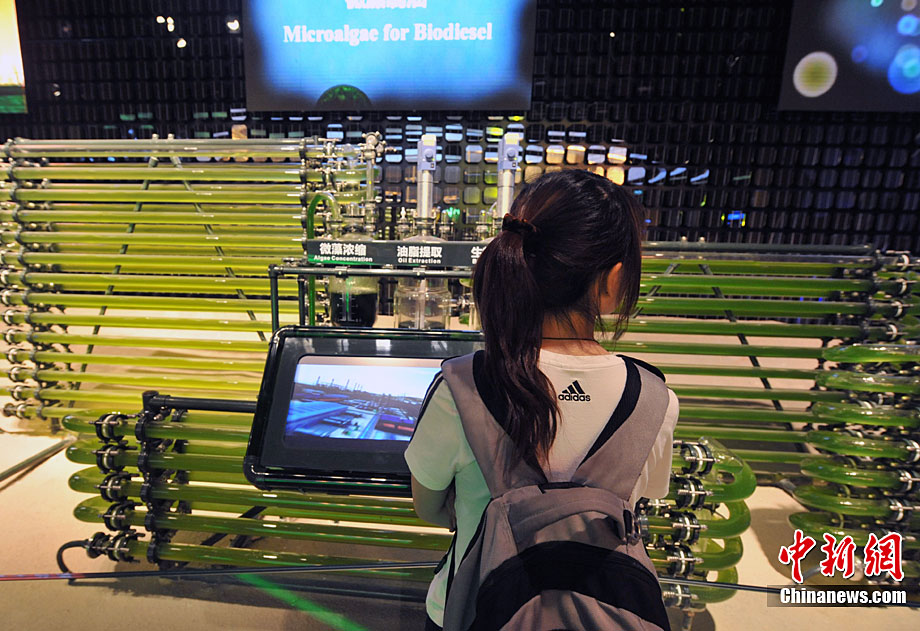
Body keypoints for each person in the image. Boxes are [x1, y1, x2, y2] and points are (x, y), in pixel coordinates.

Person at [404, 169, 679, 630]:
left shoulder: (462, 385)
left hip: (473, 610)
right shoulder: (654, 399)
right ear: (611, 281)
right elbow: (640, 500)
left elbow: (427, 505)